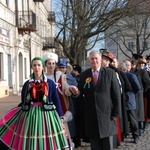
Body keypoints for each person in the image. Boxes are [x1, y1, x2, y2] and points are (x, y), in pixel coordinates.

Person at [0, 57, 69, 150]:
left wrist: (60, 117)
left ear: (43, 67)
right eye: (34, 65)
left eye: (39, 65)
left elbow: (56, 100)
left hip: (48, 116)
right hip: (31, 116)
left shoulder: (50, 83)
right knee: (31, 139)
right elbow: (24, 101)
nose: (37, 68)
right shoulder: (27, 84)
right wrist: (14, 114)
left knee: (47, 138)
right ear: (32, 67)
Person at [77, 50, 121, 150]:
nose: (94, 60)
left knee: (108, 146)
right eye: (92, 59)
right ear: (89, 60)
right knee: (95, 146)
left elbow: (116, 95)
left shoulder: (110, 73)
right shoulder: (84, 75)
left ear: (101, 60)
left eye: (96, 58)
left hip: (107, 116)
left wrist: (116, 113)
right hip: (91, 116)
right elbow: (80, 92)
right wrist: (76, 92)